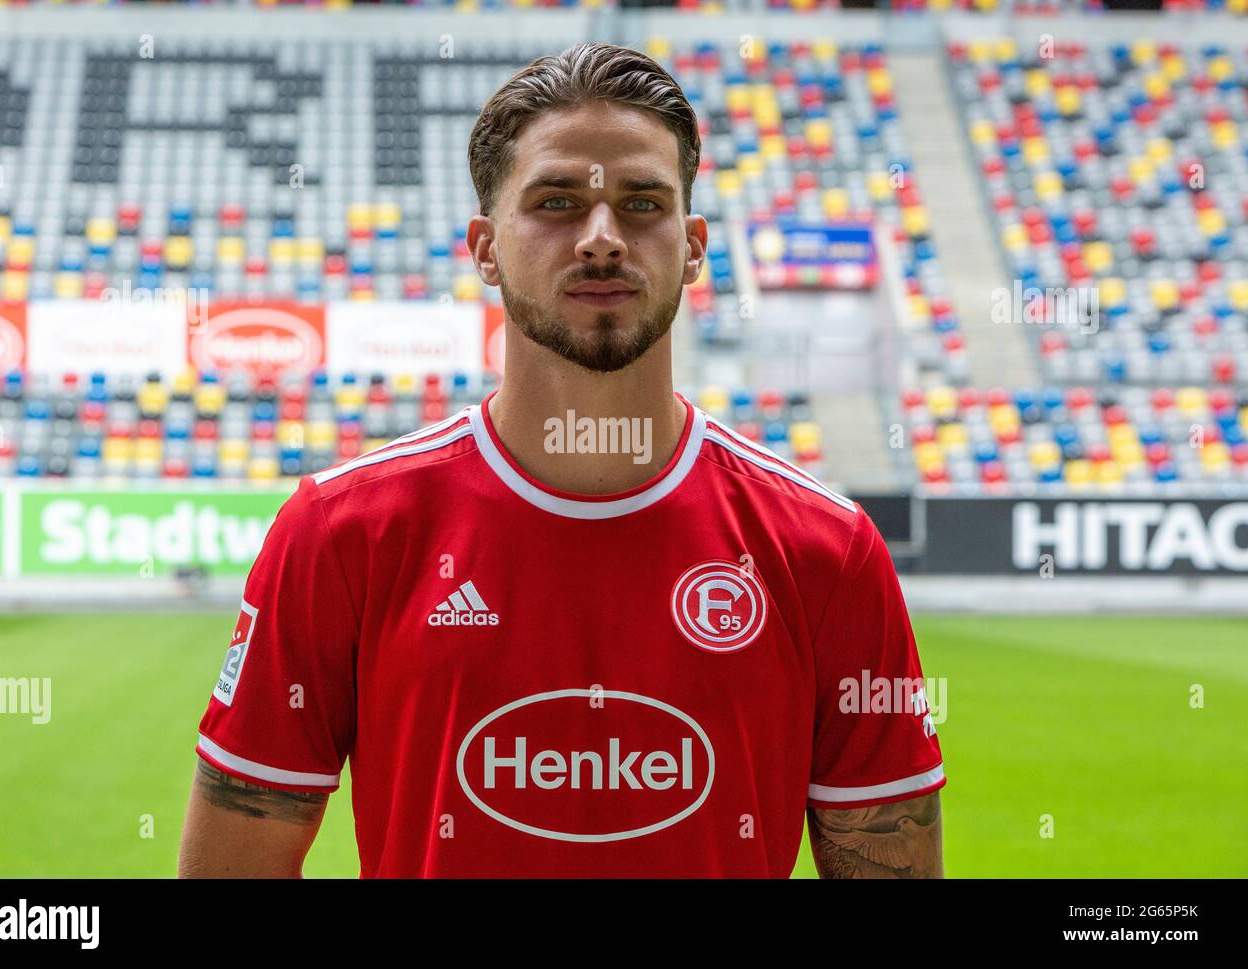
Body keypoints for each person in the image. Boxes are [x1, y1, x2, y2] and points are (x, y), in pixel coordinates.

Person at [178, 42, 945, 878]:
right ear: (484, 247)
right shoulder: (338, 532)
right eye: (555, 202)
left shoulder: (827, 551)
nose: (603, 237)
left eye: (642, 202)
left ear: (693, 246)